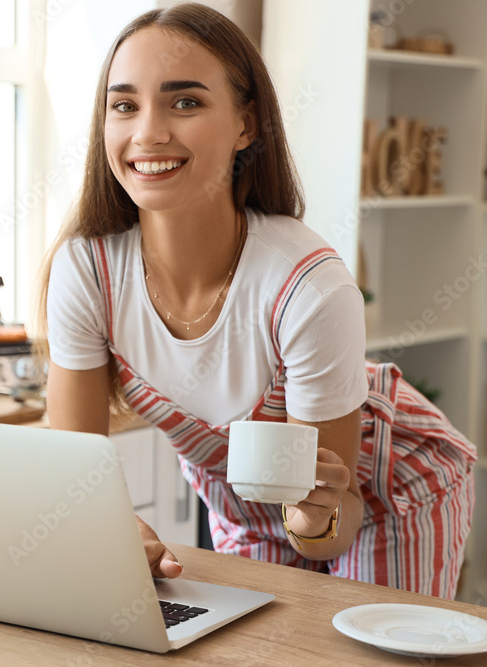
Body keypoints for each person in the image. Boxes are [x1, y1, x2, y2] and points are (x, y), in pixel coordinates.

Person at [38, 3, 477, 599]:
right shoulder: (86, 270)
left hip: (389, 489)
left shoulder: (307, 286)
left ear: (246, 125)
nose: (148, 132)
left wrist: (313, 515)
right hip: (251, 509)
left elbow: (330, 523)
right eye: (124, 105)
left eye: (185, 101)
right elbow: (72, 474)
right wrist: (115, 530)